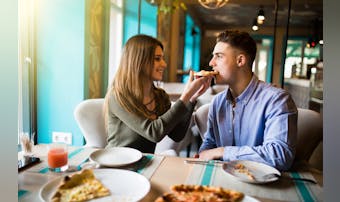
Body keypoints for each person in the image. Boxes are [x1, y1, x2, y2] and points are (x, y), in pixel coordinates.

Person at [197, 30, 297, 171]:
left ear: (240, 61)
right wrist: (201, 155)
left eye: (218, 56)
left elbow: (280, 156)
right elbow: (210, 143)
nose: (211, 63)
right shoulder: (217, 102)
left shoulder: (277, 100)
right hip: (223, 182)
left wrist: (223, 152)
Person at [104, 34, 212, 153]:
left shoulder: (159, 96)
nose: (164, 64)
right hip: (116, 163)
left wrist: (191, 99)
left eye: (162, 58)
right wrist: (185, 96)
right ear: (138, 61)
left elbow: (177, 135)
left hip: (144, 163)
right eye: (157, 59)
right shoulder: (118, 96)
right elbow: (154, 133)